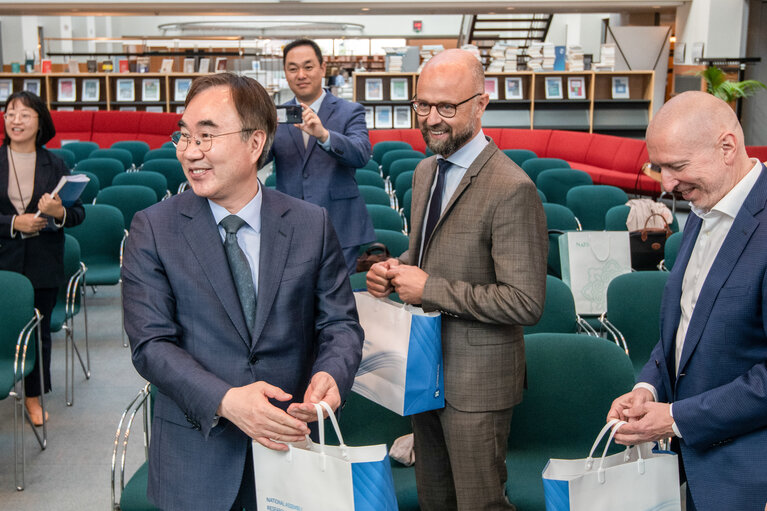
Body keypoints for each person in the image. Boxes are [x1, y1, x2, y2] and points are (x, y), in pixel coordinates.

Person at [122, 73, 363, 511]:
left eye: (207, 136)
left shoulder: (310, 224)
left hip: (296, 449)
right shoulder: (153, 229)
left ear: (255, 144)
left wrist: (333, 373)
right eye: (184, 136)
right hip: (197, 458)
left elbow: (340, 324)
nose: (190, 152)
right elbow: (151, 345)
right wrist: (228, 401)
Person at [366, 49, 547, 511]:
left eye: (447, 107)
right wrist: (395, 269)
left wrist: (429, 288)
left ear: (481, 105)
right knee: (435, 499)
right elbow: (429, 253)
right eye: (422, 105)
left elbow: (526, 301)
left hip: (476, 382)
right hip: (424, 369)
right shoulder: (427, 170)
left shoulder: (512, 188)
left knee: (478, 503)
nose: (431, 119)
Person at [607, 91, 767, 510]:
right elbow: (685, 329)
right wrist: (648, 386)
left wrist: (677, 418)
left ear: (727, 147)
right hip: (691, 465)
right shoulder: (703, 208)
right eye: (658, 167)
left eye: (677, 167)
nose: (667, 185)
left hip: (747, 476)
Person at [0, 91, 85, 426]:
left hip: (43, 260)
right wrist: (12, 223)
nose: (16, 120)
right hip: (4, 259)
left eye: (24, 115)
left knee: (38, 332)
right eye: (10, 114)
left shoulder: (56, 164)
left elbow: (77, 214)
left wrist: (59, 211)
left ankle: (34, 396)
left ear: (39, 122)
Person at [265, 38, 374, 274]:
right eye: (292, 69)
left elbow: (361, 154)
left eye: (308, 66)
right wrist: (257, 135)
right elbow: (257, 161)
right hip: (290, 223)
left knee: (338, 300)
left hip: (339, 222)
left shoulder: (349, 110)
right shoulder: (275, 115)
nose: (301, 74)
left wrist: (324, 135)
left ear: (323, 68)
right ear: (285, 73)